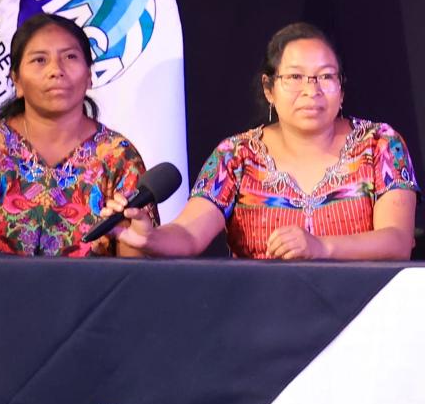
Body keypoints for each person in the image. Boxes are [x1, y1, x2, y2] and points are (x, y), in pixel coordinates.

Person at [104, 22, 419, 260]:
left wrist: (321, 246)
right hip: (259, 318)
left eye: (326, 76)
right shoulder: (236, 155)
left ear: (342, 89)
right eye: (294, 77)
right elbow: (188, 234)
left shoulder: (380, 144)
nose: (312, 91)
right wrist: (148, 239)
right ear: (269, 89)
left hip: (364, 318)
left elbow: (398, 241)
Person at [0, 13, 151, 256]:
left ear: (89, 76)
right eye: (39, 60)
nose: (56, 70)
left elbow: (134, 267)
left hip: (93, 294)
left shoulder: (119, 156)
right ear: (17, 81)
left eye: (70, 57)